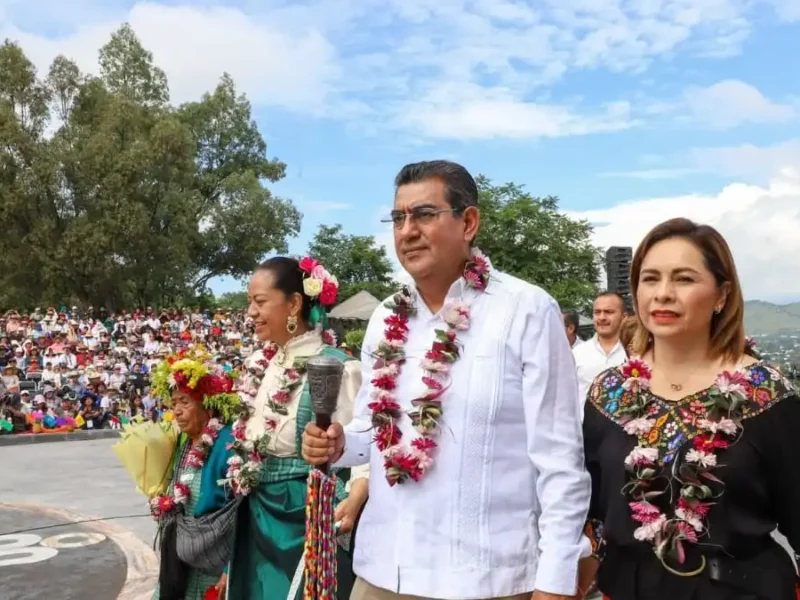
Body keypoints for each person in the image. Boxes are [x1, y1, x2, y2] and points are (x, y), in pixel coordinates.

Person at [302, 160, 590, 600]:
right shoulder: (385, 318)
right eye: (398, 218)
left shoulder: (526, 310)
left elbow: (560, 461)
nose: (407, 230)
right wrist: (341, 444)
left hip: (487, 580)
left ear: (468, 222)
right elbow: (370, 432)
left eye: (423, 214)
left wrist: (554, 582)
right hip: (383, 573)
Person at [581, 218, 800, 600]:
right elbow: (591, 503)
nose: (663, 294)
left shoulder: (765, 393)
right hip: (628, 587)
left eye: (684, 279)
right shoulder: (609, 393)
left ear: (721, 294)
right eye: (650, 279)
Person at [226, 256, 369, 600]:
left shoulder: (338, 367)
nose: (250, 312)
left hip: (304, 517)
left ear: (294, 303)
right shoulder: (258, 365)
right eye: (250, 302)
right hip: (256, 513)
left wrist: (355, 498)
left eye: (260, 302)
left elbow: (364, 444)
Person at [149, 345, 241, 600]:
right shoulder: (182, 442)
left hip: (215, 567)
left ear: (207, 405)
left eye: (184, 402)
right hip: (181, 563)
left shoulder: (227, 444)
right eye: (173, 403)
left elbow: (243, 510)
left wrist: (231, 569)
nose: (176, 410)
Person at [573, 292, 627, 404]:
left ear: (624, 317)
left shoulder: (636, 353)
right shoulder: (577, 353)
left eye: (609, 312)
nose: (602, 317)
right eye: (597, 312)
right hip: (584, 421)